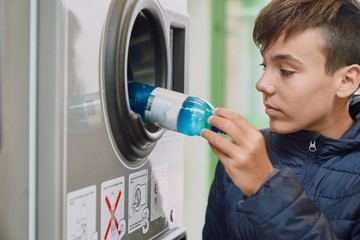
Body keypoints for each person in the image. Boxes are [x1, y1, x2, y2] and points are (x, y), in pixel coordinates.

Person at [201, 0, 360, 239]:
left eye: (286, 71)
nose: (261, 84)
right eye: (264, 66)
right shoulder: (243, 157)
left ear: (346, 81)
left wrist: (265, 186)